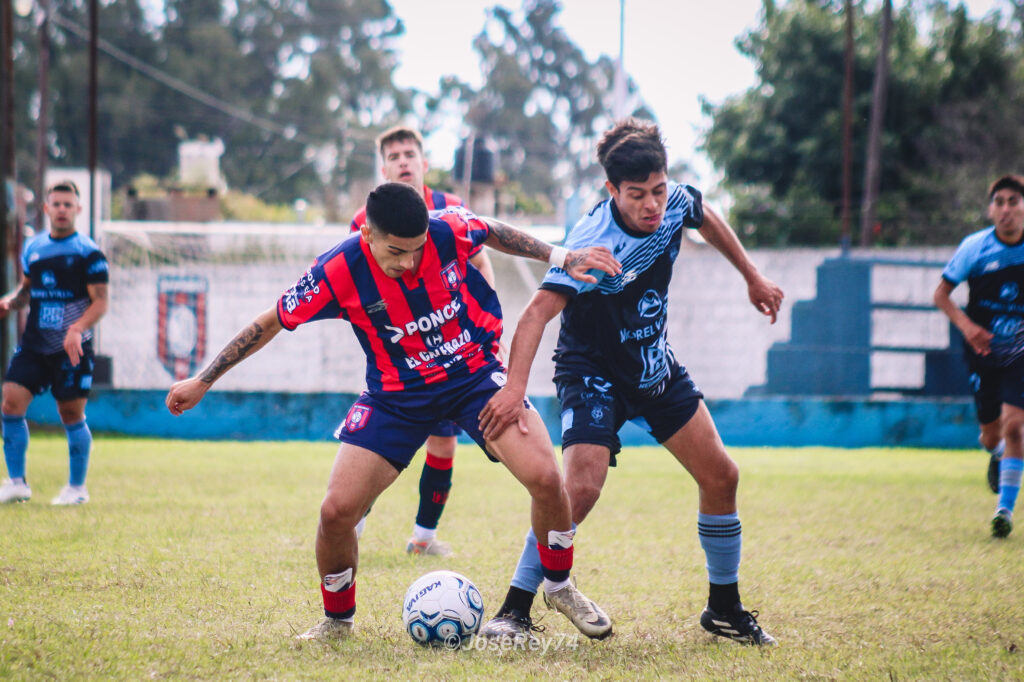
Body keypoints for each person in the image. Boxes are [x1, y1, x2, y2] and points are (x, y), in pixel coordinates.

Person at [165, 182, 621, 641]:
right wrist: (204, 379)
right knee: (336, 512)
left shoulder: (448, 228)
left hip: (474, 378)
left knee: (546, 478)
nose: (408, 262)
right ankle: (337, 621)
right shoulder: (337, 270)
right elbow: (269, 322)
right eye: (396, 251)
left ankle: (559, 587)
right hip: (396, 397)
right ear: (367, 232)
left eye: (417, 250)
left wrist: (561, 257)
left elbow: (493, 230)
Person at [476, 119, 783, 646]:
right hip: (591, 372)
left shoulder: (675, 202)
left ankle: (724, 608)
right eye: (637, 194)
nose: (652, 204)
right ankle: (515, 608)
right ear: (612, 191)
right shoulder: (593, 243)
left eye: (658, 190)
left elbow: (705, 215)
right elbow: (534, 315)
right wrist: (512, 388)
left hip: (652, 368)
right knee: (581, 489)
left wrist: (751, 274)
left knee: (722, 477)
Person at [348, 125, 499, 557]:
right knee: (381, 447)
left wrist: (482, 326)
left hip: (451, 353)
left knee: (443, 442)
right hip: (401, 359)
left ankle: (423, 538)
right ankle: (353, 522)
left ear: (424, 162)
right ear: (383, 167)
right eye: (393, 156)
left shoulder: (451, 209)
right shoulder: (365, 220)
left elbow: (482, 264)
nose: (403, 162)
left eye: (409, 154)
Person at [0, 179, 109, 506]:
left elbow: (100, 302)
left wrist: (76, 328)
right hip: (34, 343)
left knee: (71, 413)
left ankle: (77, 489)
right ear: (46, 209)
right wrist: (8, 302)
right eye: (56, 204)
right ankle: (17, 482)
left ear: (77, 209)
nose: (62, 210)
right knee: (9, 403)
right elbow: (27, 291)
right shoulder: (33, 248)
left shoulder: (88, 253)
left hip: (71, 347)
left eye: (68, 204)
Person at [934, 174, 1024, 539]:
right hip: (982, 352)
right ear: (991, 210)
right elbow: (941, 295)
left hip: (1020, 353)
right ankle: (998, 452)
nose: (1006, 209)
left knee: (1017, 426)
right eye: (999, 202)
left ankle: (1004, 510)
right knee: (990, 435)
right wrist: (967, 326)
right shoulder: (975, 247)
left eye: (1013, 201)